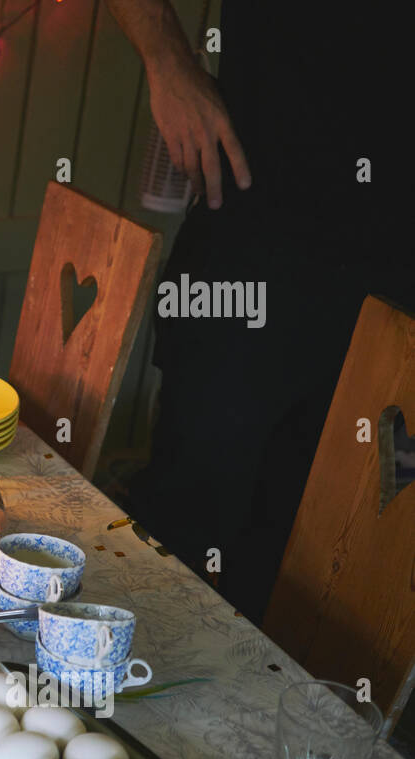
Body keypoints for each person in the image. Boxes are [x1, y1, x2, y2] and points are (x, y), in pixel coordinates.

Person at [106, 0, 415, 624]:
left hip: (402, 278)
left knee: (352, 564)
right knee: (189, 533)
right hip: (260, 224)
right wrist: (168, 62)